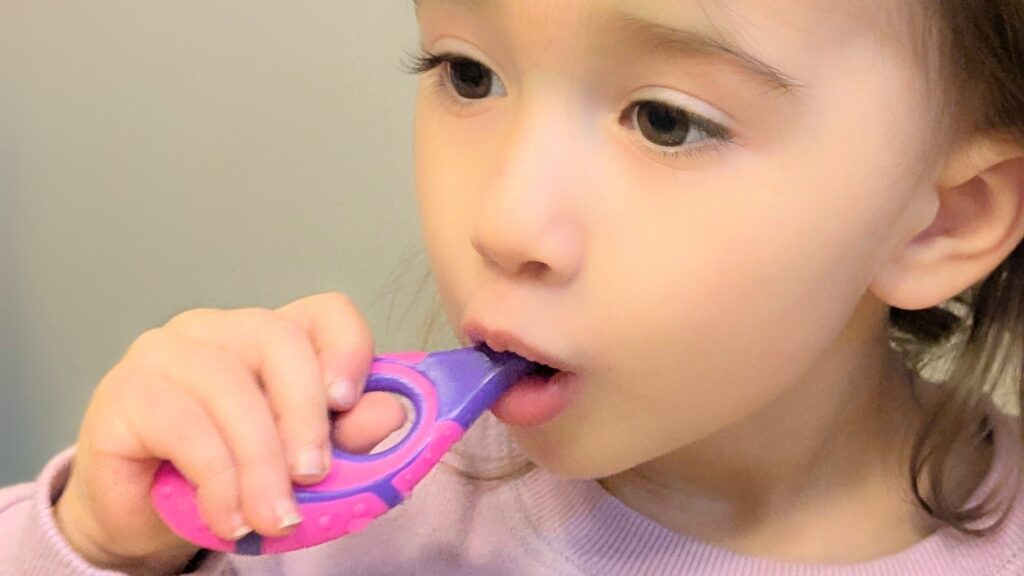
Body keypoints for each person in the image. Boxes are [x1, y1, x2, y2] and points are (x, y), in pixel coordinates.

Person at [4, 0, 1024, 574]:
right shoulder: (305, 511)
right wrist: (98, 542)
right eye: (467, 74)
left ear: (944, 218)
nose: (501, 221)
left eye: (665, 121)